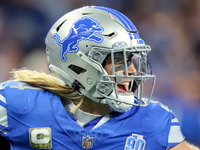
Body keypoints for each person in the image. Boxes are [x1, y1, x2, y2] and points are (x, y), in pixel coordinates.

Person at [0, 6, 199, 150]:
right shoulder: (17, 104)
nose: (131, 70)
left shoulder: (153, 120)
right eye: (119, 59)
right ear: (79, 65)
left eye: (131, 59)